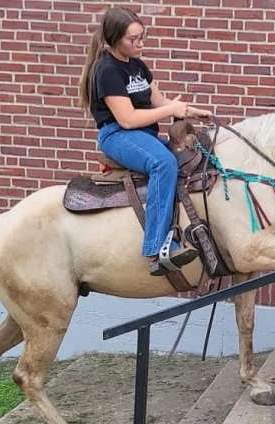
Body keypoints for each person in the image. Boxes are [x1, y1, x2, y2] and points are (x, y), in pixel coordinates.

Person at [79, 6, 212, 276]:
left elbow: (160, 102)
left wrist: (190, 111)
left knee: (194, 155)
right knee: (163, 163)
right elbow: (127, 119)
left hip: (143, 135)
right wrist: (169, 111)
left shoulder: (137, 66)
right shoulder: (106, 70)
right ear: (115, 39)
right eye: (133, 39)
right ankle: (156, 249)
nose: (139, 44)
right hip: (117, 135)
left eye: (142, 37)